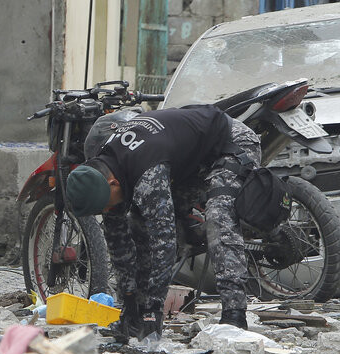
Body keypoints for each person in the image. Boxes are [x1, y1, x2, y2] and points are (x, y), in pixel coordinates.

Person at [65, 105, 261, 339]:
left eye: (107, 205)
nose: (108, 211)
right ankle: (135, 312)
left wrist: (153, 311)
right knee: (139, 223)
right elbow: (119, 246)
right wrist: (130, 303)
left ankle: (234, 314)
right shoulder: (104, 172)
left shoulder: (146, 173)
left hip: (231, 142)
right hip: (189, 160)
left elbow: (163, 243)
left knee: (218, 213)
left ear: (113, 183)